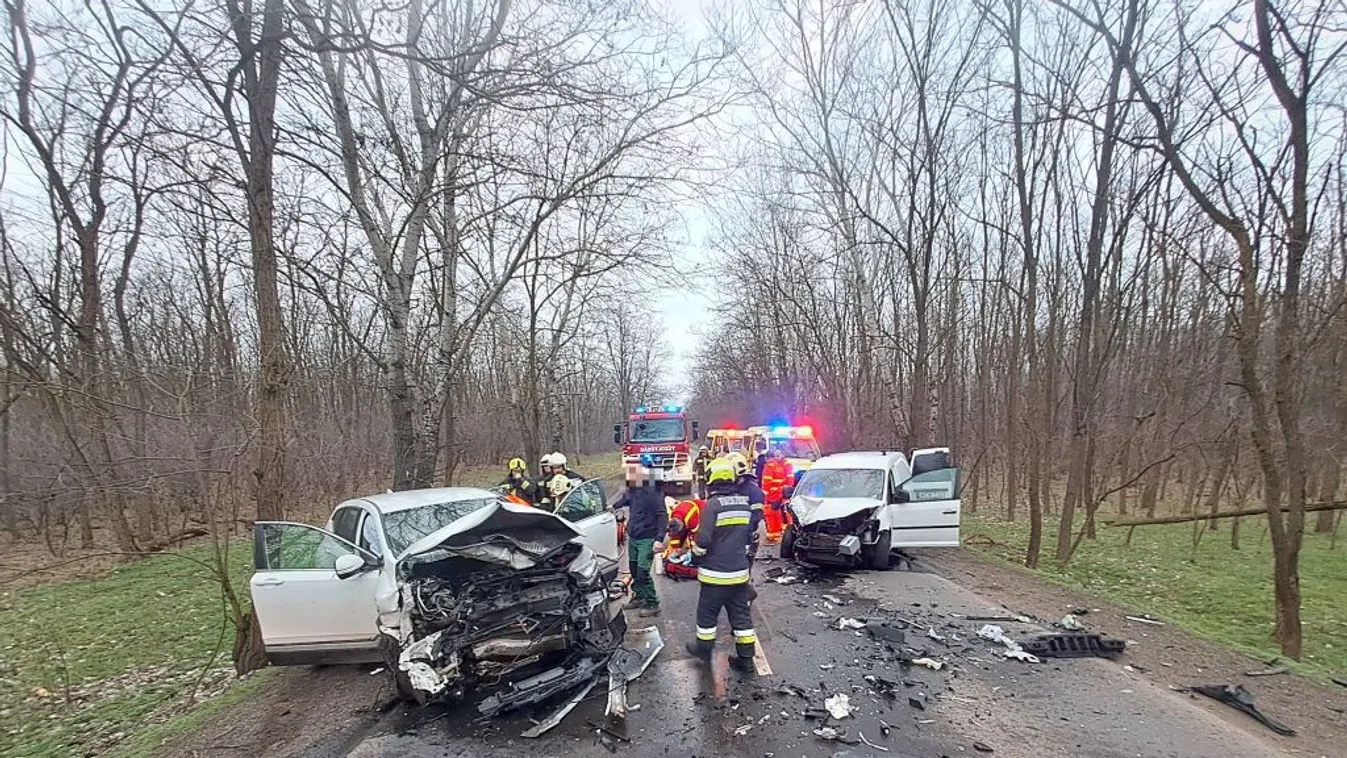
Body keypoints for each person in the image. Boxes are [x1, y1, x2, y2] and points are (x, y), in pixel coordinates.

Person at [686, 459, 757, 673]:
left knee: (707, 616)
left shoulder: (713, 506)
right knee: (740, 616)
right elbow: (749, 537)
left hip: (715, 576)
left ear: (712, 480)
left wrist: (695, 558)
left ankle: (704, 650)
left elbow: (703, 540)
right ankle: (746, 660)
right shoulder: (744, 505)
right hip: (739, 574)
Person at [616, 478, 667, 616]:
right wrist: (611, 507)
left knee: (642, 572)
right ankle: (639, 597)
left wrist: (659, 539)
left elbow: (662, 516)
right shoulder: (633, 491)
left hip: (647, 538)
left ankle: (652, 603)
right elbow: (624, 500)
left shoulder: (654, 494)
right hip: (634, 537)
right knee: (633, 569)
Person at [761, 446, 791, 544]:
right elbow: (785, 481)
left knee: (771, 514)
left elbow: (766, 483)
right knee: (778, 513)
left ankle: (773, 534)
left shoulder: (770, 466)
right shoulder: (780, 466)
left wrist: (764, 497)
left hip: (772, 495)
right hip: (779, 494)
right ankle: (778, 533)